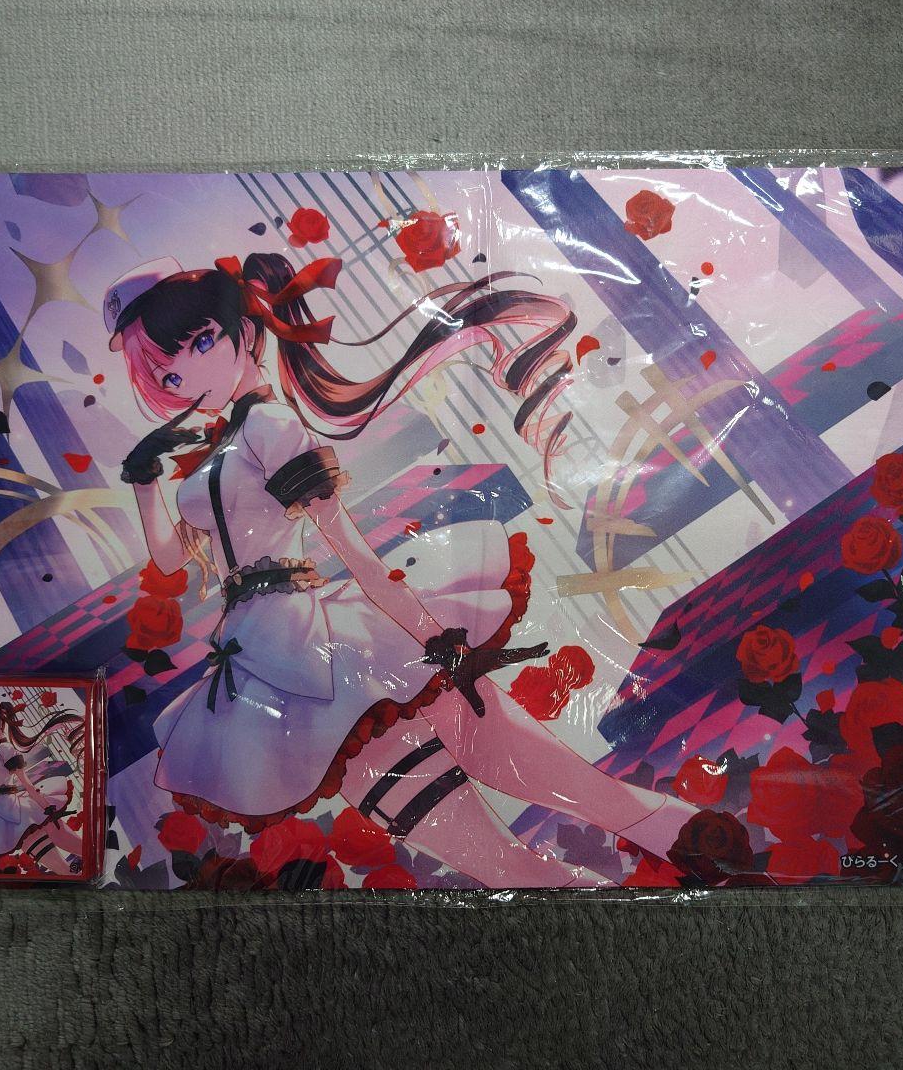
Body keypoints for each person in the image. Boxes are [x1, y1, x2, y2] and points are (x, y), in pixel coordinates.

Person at [106, 251, 698, 888]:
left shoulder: (270, 425)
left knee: (508, 780)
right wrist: (144, 481)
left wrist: (431, 635)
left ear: (245, 331)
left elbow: (342, 537)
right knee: (490, 834)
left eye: (200, 341)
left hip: (319, 645)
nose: (186, 373)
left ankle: (695, 845)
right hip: (263, 655)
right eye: (167, 371)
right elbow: (171, 557)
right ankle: (682, 852)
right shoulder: (218, 452)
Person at [0, 701, 85, 875]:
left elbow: (24, 781)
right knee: (43, 844)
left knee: (53, 838)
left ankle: (84, 866)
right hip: (1, 808)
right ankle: (75, 872)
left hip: (15, 806)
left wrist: (45, 805)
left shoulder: (5, 749)